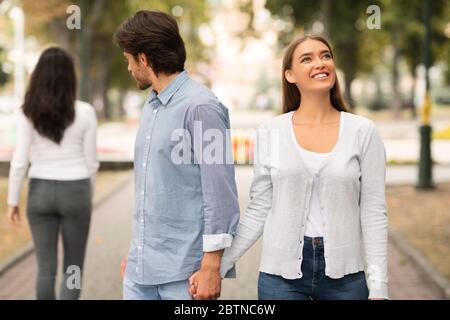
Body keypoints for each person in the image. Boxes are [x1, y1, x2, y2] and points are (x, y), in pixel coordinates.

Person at [193, 35, 388, 300]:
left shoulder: (363, 132)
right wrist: (218, 266)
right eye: (307, 59)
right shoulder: (270, 132)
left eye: (325, 56)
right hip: (280, 279)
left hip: (345, 279)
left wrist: (379, 289)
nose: (320, 63)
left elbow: (373, 213)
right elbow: (259, 208)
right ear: (290, 75)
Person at [113, 10, 240, 300]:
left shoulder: (201, 108)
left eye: (128, 58)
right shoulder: (152, 105)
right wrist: (137, 255)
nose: (129, 67)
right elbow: (155, 188)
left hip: (185, 279)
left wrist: (211, 266)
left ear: (143, 58)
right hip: (139, 276)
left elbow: (220, 193)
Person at [7, 47, 99, 300]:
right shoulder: (86, 112)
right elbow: (92, 163)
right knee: (73, 268)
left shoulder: (27, 112)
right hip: (77, 189)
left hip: (41, 191)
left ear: (39, 77)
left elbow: (19, 161)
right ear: (70, 77)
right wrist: (85, 197)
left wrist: (12, 201)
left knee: (45, 271)